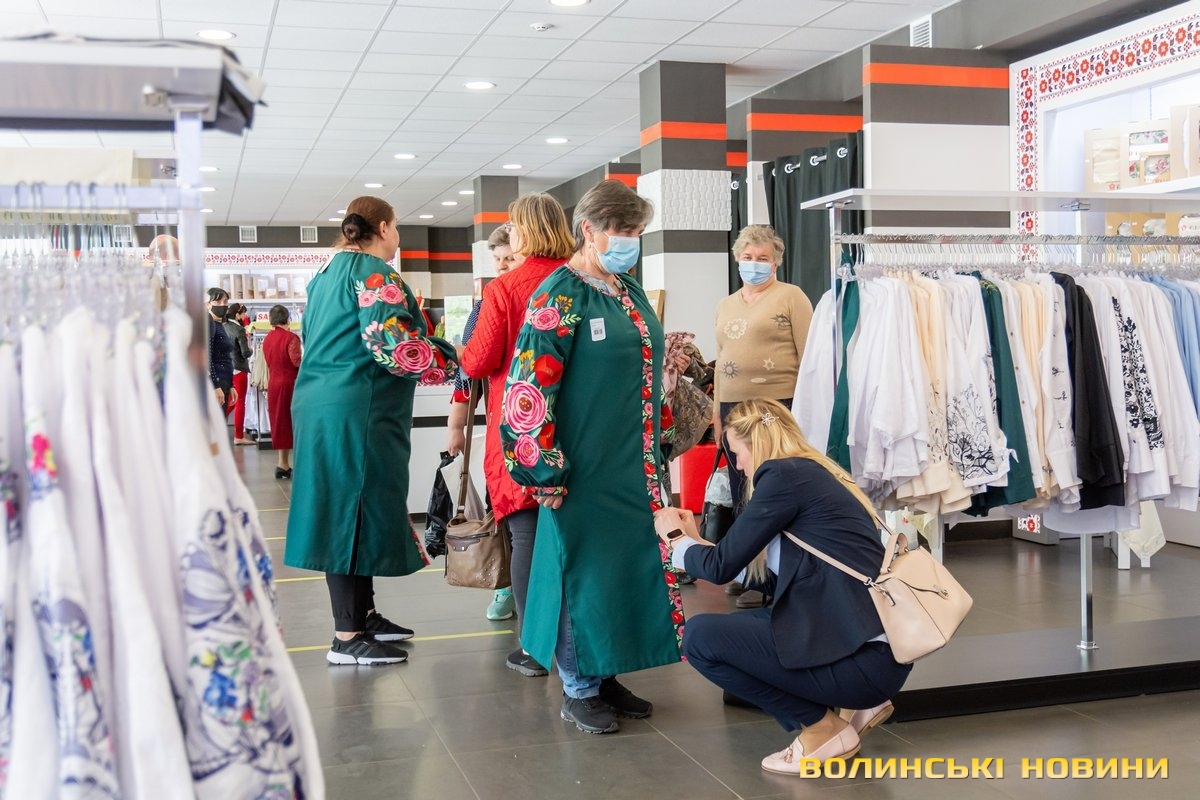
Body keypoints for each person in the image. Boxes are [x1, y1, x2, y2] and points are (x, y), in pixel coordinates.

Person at [498, 179, 681, 735]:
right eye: (621, 230)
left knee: (622, 573)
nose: (630, 240)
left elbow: (641, 365)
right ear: (589, 229)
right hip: (582, 468)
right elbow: (527, 390)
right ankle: (579, 686)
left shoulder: (628, 289)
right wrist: (541, 467)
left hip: (632, 465)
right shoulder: (558, 295)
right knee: (582, 575)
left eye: (637, 230)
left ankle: (606, 672)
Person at [653, 398, 910, 774]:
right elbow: (772, 577)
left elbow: (720, 569)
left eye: (737, 453)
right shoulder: (813, 474)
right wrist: (698, 544)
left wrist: (676, 539)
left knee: (699, 639)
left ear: (756, 443)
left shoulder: (781, 477)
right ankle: (852, 705)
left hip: (863, 663)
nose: (738, 465)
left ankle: (822, 728)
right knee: (737, 630)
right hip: (875, 653)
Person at [284, 196, 459, 667]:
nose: (397, 236)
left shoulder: (325, 275)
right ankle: (346, 636)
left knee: (350, 507)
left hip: (323, 404)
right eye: (396, 227)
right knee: (349, 511)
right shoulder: (375, 275)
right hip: (355, 407)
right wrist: (455, 357)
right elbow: (396, 349)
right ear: (383, 228)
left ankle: (362, 615)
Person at [460, 195, 574, 676]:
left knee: (526, 536)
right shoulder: (585, 281)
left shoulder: (505, 289)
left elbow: (478, 361)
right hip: (580, 429)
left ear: (522, 233)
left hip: (523, 428)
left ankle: (534, 646)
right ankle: (582, 647)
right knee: (578, 542)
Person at [713, 225, 814, 607]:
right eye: (748, 257)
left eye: (762, 258)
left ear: (776, 262)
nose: (754, 264)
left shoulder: (791, 297)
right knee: (742, 493)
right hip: (732, 409)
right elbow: (721, 360)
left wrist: (806, 410)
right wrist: (717, 414)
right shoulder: (726, 304)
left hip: (776, 405)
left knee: (771, 492)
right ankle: (749, 570)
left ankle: (771, 577)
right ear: (737, 259)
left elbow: (811, 358)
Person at [445, 224, 526, 623]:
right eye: (497, 260)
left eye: (509, 258)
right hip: (502, 425)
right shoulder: (486, 304)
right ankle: (505, 582)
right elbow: (468, 372)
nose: (502, 266)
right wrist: (456, 424)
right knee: (504, 513)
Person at [261, 305, 301, 478]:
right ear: (288, 318)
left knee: (279, 422)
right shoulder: (291, 338)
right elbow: (296, 361)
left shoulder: (267, 339)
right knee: (294, 423)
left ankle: (282, 464)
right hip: (290, 384)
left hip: (274, 384)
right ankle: (297, 464)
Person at [223, 302, 255, 445]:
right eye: (243, 314)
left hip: (226, 368)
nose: (245, 316)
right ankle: (238, 436)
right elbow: (245, 352)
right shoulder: (239, 330)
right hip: (239, 368)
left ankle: (215, 426)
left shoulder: (223, 326)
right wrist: (252, 349)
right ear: (237, 315)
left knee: (230, 400)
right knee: (240, 401)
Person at [206, 287, 236, 413]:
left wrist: (231, 385)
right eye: (217, 302)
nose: (222, 305)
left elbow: (225, 356)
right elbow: (207, 356)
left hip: (224, 382)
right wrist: (215, 385)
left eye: (225, 302)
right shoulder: (209, 323)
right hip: (217, 382)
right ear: (208, 304)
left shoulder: (218, 324)